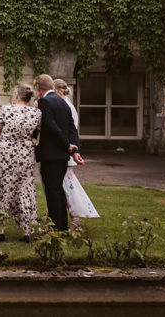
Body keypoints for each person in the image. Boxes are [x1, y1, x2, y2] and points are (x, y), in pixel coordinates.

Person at [0, 84, 41, 242]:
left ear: (17, 96)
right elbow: (36, 134)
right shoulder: (37, 113)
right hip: (25, 153)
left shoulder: (6, 109)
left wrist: (6, 140)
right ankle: (26, 232)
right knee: (24, 189)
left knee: (4, 186)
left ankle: (1, 230)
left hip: (6, 153)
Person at [34, 74, 84, 232]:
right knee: (58, 190)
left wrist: (67, 145)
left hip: (51, 154)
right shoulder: (63, 103)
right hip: (62, 156)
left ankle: (56, 227)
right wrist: (74, 149)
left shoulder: (45, 102)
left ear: (38, 88)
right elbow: (72, 129)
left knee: (52, 191)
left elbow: (51, 126)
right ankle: (61, 225)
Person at [54, 79, 97, 228]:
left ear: (58, 90)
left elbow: (70, 131)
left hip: (65, 153)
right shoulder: (66, 105)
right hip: (63, 153)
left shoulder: (66, 106)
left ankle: (75, 219)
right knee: (60, 186)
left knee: (66, 187)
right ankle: (53, 215)